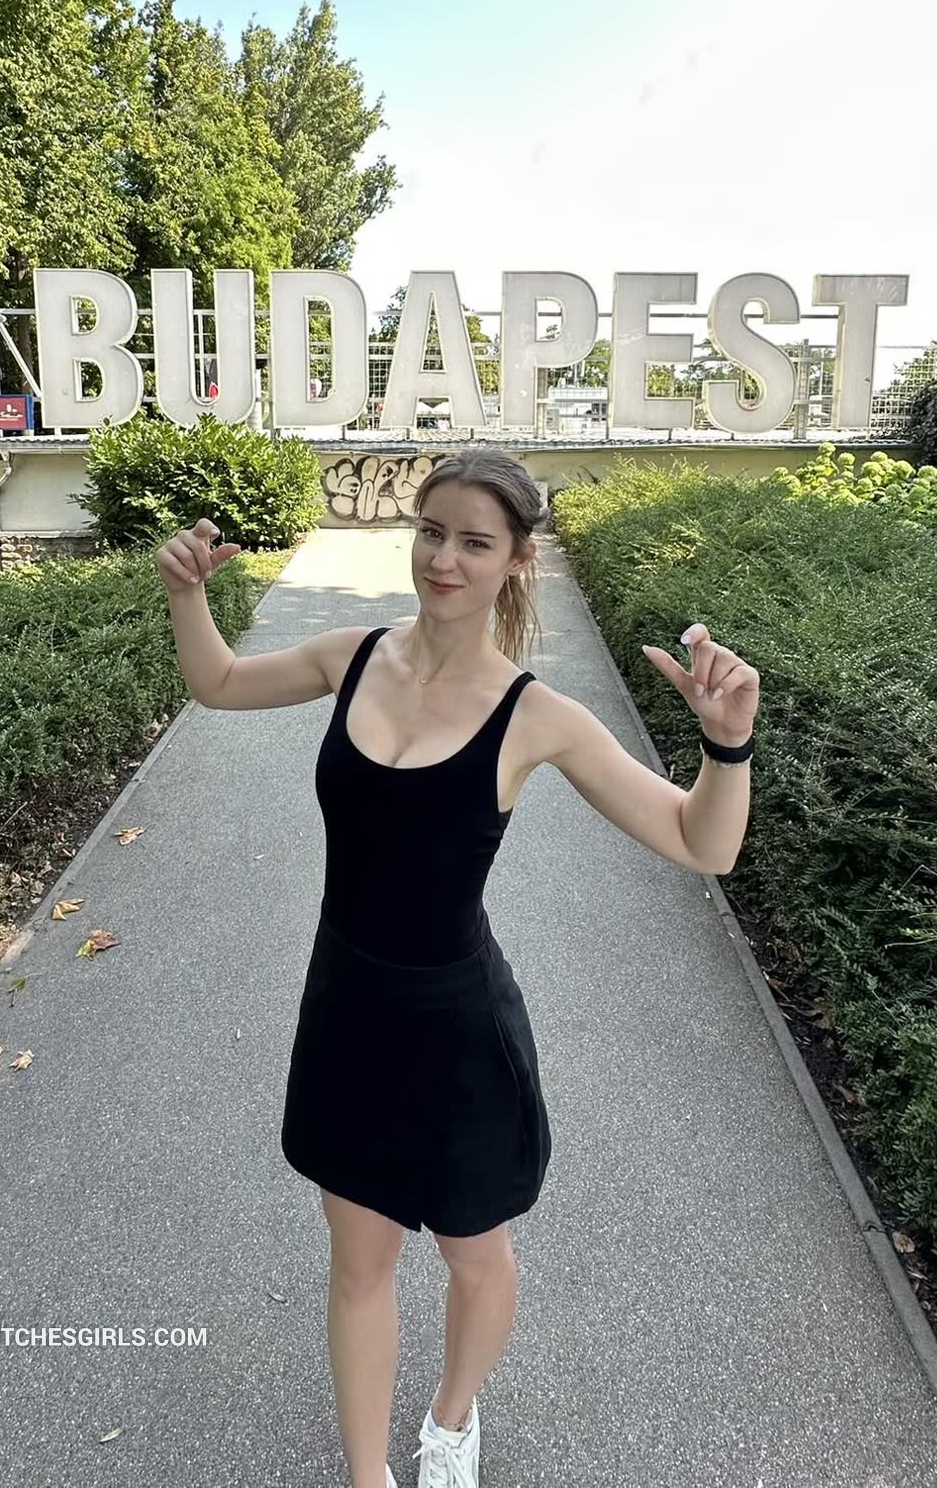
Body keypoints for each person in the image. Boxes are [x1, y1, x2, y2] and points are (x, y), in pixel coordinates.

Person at [155, 446, 759, 1488]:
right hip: (346, 1009)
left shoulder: (535, 716)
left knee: (473, 1257)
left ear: (517, 560)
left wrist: (725, 748)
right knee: (359, 1262)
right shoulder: (352, 658)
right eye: (431, 532)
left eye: (475, 542)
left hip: (458, 1030)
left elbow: (698, 842)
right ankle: (367, 1476)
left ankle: (449, 1421)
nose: (444, 558)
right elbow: (216, 683)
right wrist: (185, 595)